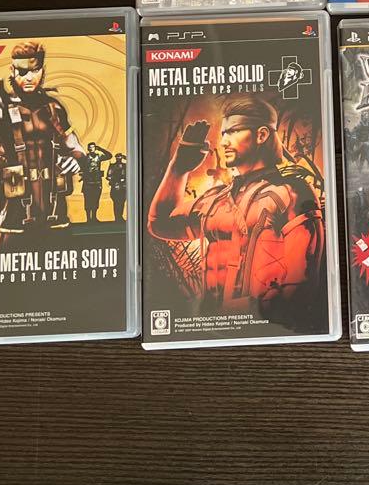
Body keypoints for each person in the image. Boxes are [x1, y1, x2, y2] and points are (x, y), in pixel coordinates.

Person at [147, 97, 324, 328]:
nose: (223, 142)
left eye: (233, 131)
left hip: (267, 328)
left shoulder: (290, 192)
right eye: (223, 134)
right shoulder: (216, 199)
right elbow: (159, 224)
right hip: (210, 325)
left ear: (261, 135)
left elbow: (302, 284)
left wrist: (262, 318)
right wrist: (178, 169)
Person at [0, 40, 86, 244]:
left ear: (42, 70)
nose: (29, 77)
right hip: (11, 212)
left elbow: (75, 147)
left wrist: (76, 159)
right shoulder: (0, 107)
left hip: (53, 210)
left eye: (34, 70)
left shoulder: (53, 108)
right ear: (12, 70)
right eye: (22, 71)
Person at [81, 143, 113, 224]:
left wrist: (101, 149)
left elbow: (109, 156)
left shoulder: (99, 156)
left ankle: (94, 218)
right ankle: (88, 219)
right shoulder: (84, 157)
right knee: (88, 200)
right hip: (88, 182)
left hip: (97, 182)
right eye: (90, 147)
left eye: (93, 147)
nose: (91, 149)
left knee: (95, 200)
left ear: (95, 148)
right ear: (88, 149)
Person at [107, 153, 127, 222]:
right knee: (116, 202)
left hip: (123, 186)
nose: (119, 158)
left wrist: (125, 157)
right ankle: (117, 217)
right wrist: (113, 180)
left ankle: (120, 216)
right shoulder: (112, 166)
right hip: (115, 186)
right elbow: (108, 175)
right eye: (117, 157)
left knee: (122, 202)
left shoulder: (125, 165)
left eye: (120, 157)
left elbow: (132, 163)